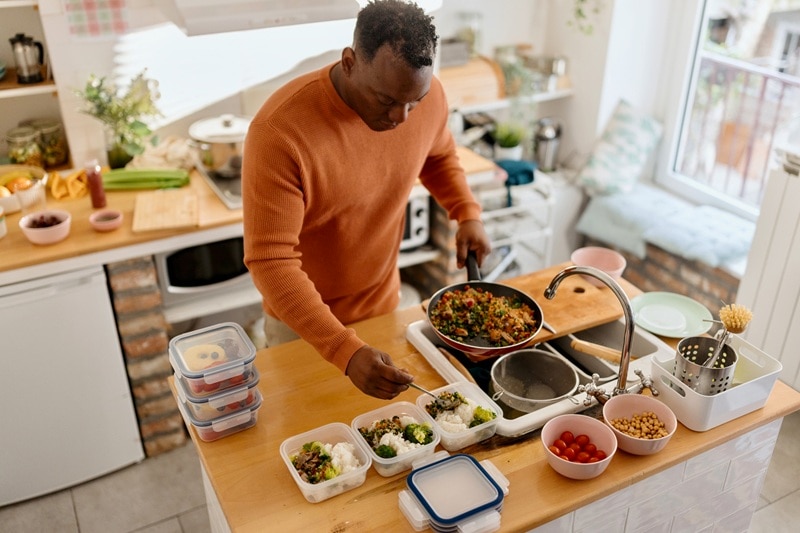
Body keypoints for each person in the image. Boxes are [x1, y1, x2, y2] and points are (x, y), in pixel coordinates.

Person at [242, 0, 491, 400]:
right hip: (302, 327)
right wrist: (344, 351)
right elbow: (270, 262)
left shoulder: (424, 97)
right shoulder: (279, 132)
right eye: (386, 100)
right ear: (350, 62)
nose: (402, 118)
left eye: (415, 101)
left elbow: (438, 154)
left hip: (382, 303)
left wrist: (466, 212)